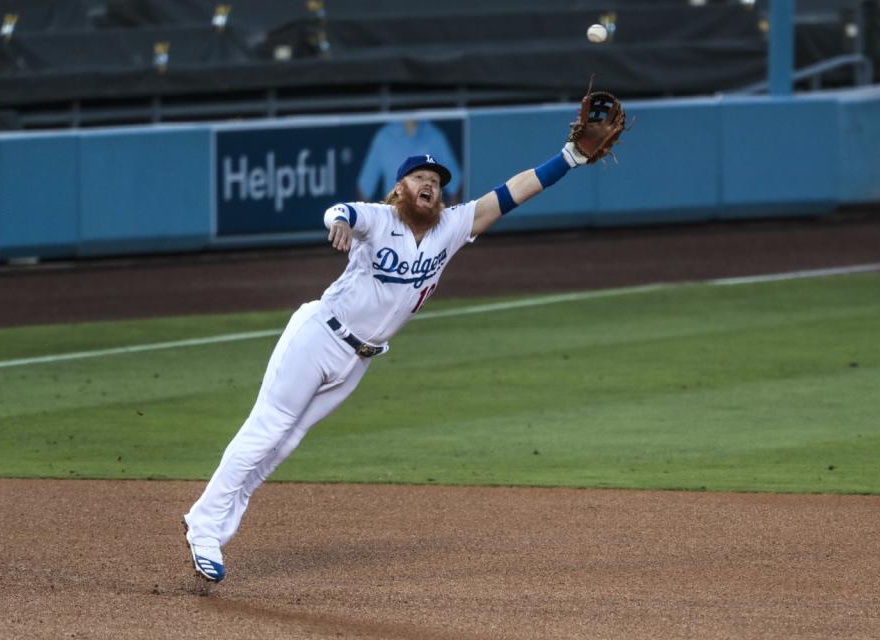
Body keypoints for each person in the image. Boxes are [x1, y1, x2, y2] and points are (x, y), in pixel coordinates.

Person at [183, 137, 592, 583]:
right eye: (420, 178)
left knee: (286, 441)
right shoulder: (380, 219)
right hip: (319, 335)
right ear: (400, 187)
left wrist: (568, 159)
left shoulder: (452, 228)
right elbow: (340, 212)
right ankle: (205, 528)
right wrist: (338, 221)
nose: (429, 186)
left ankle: (212, 525)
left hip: (359, 360)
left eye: (436, 181)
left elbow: (512, 193)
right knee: (269, 427)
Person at [357, 119, 464, 205]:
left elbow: (455, 187)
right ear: (399, 189)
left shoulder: (435, 136)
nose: (426, 185)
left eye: (433, 180)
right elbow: (364, 189)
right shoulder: (383, 138)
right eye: (418, 178)